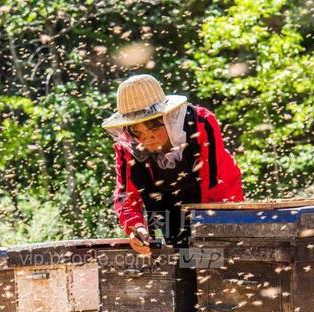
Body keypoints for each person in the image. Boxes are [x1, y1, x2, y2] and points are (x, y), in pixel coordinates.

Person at [102, 74, 244, 254]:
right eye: (139, 133)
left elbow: (218, 184)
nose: (147, 139)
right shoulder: (127, 147)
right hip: (166, 211)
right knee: (175, 272)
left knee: (212, 270)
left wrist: (213, 238)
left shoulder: (200, 123)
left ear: (167, 118)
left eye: (153, 128)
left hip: (216, 209)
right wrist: (135, 227)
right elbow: (125, 195)